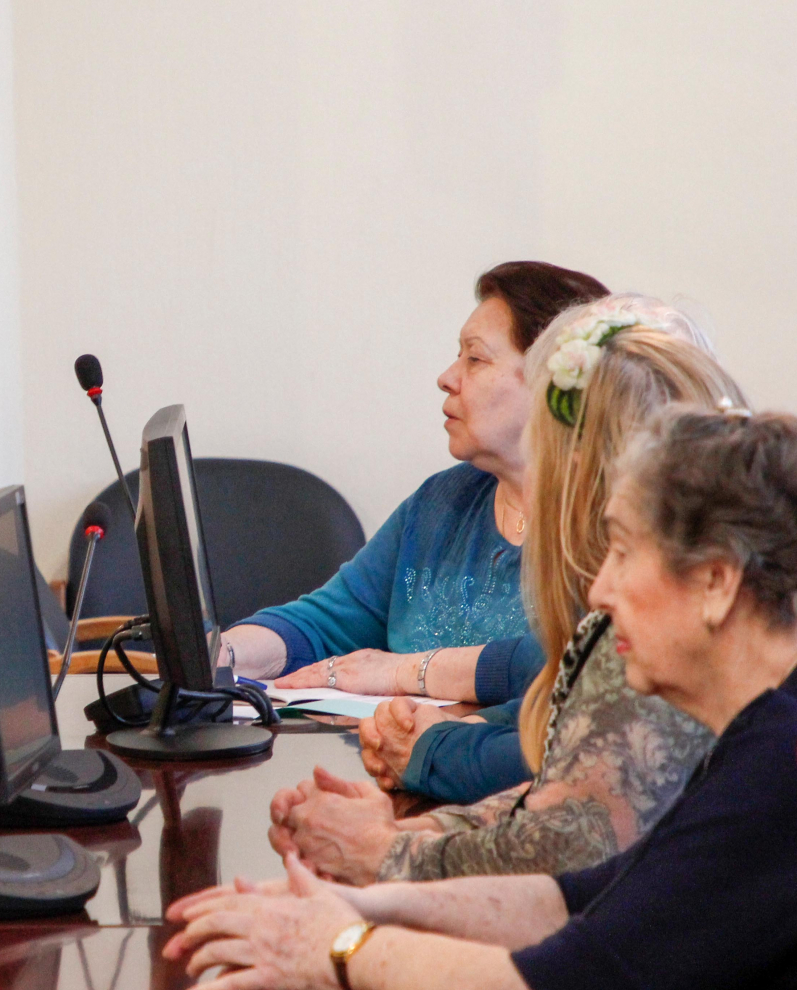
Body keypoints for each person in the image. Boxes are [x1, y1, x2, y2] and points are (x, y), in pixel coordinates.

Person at [162, 405, 797, 990]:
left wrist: (336, 946)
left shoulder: (781, 760)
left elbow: (568, 976)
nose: (600, 591)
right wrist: (361, 904)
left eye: (624, 554)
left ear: (717, 582)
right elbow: (582, 898)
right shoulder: (760, 733)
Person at [268, 299, 740, 885]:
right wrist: (404, 833)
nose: (603, 589)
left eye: (476, 358)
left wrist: (392, 838)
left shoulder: (675, 631)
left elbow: (563, 814)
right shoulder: (447, 501)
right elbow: (554, 780)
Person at [225, 261, 607, 691]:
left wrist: (406, 673)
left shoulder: (617, 527)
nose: (446, 378)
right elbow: (329, 621)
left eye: (475, 358)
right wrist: (225, 654)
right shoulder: (444, 502)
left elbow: (575, 671)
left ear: (555, 383)